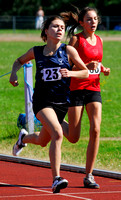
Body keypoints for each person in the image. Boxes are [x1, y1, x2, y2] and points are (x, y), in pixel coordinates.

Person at [9, 16, 88, 193]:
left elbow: (85, 72)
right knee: (58, 134)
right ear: (46, 31)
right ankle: (56, 179)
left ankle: (23, 139)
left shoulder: (68, 51)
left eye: (62, 27)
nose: (60, 29)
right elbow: (18, 61)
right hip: (42, 102)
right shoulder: (36, 51)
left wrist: (71, 74)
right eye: (55, 26)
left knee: (42, 140)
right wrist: (13, 74)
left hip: (61, 104)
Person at [60, 7, 110, 189]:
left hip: (94, 88)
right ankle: (54, 121)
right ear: (81, 22)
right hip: (76, 88)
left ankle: (89, 175)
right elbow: (66, 66)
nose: (93, 22)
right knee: (73, 137)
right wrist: (85, 66)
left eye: (95, 19)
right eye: (89, 19)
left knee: (96, 130)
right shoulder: (76, 39)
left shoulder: (99, 39)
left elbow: (95, 61)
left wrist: (102, 68)